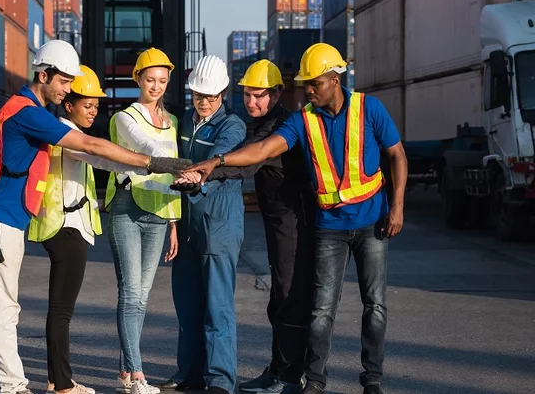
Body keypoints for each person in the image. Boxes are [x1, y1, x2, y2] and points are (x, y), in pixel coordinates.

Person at [0, 40, 191, 394]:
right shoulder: (28, 112)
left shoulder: (26, 109)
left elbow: (95, 157)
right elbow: (90, 146)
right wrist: (151, 162)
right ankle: (12, 386)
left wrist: (144, 166)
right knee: (3, 308)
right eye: (64, 82)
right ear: (43, 74)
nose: (68, 89)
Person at [183, 43, 408, 394]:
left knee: (352, 303)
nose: (308, 90)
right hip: (314, 225)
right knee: (306, 306)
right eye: (246, 95)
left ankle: (340, 378)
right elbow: (259, 150)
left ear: (334, 80)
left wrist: (397, 207)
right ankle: (298, 377)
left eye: (314, 83)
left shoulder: (355, 111)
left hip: (344, 223)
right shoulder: (301, 121)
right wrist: (216, 163)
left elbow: (396, 155)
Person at [174, 59, 315, 394]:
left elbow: (248, 165)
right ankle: (278, 369)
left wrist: (207, 169)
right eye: (248, 95)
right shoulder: (262, 120)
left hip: (294, 219)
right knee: (278, 298)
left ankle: (290, 377)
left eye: (260, 96)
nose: (252, 102)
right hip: (275, 217)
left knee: (288, 296)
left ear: (278, 93)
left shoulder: (280, 125)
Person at [25, 64, 151, 394]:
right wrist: (148, 165)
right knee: (62, 311)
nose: (93, 111)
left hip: (69, 227)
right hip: (65, 228)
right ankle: (63, 385)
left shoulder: (63, 129)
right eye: (87, 105)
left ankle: (57, 380)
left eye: (96, 106)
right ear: (69, 105)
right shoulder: (64, 133)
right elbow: (101, 157)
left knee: (60, 310)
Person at [156, 55, 247, 394]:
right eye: (198, 95)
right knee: (187, 302)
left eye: (211, 96)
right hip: (189, 220)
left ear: (223, 92)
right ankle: (189, 374)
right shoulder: (182, 123)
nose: (204, 102)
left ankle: (220, 380)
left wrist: (194, 177)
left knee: (217, 304)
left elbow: (212, 164)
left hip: (219, 221)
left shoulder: (232, 126)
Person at [104, 47, 182, 394]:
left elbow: (171, 180)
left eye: (162, 80)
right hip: (127, 208)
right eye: (150, 79)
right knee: (131, 294)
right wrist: (191, 164)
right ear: (137, 79)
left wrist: (175, 222)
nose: (156, 86)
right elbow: (149, 148)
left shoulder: (174, 122)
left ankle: (123, 374)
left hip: (159, 213)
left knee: (143, 297)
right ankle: (136, 375)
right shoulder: (125, 118)